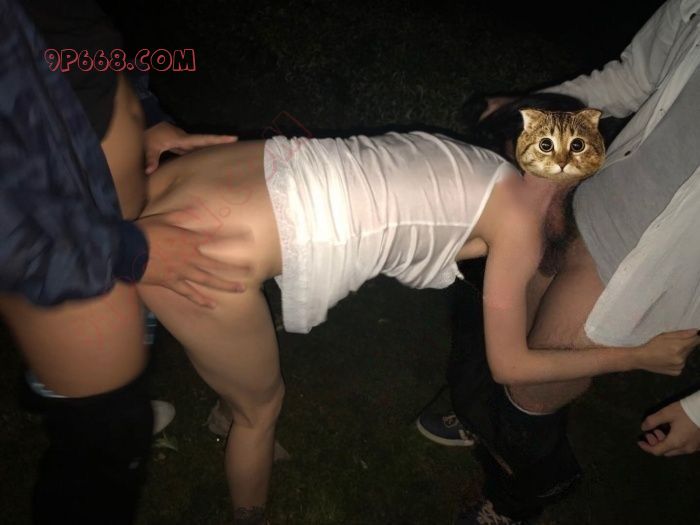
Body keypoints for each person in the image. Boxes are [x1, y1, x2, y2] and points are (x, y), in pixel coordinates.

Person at [131, 92, 698, 522]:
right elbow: (511, 366)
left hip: (186, 178)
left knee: (236, 376)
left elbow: (435, 232)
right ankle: (244, 474)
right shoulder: (520, 226)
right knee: (263, 408)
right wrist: (634, 356)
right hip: (198, 254)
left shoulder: (468, 161)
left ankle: (228, 402)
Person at [418, 0, 700, 522]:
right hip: (585, 202)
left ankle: (515, 500)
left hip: (649, 272)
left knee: (530, 386)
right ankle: (485, 419)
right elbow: (632, 78)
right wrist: (530, 110)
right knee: (505, 344)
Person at [0, 1, 241, 523]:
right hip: (69, 253)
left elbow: (74, 38)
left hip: (102, 232)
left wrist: (144, 113)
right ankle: (73, 400)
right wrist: (132, 252)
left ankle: (55, 388)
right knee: (104, 449)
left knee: (128, 351)